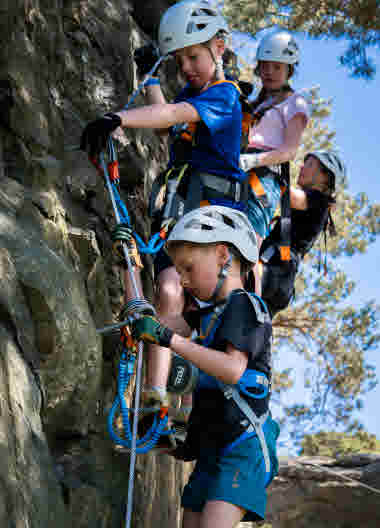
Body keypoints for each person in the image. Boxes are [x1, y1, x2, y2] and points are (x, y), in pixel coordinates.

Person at [80, 0, 248, 440]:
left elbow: (172, 116)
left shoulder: (225, 96)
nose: (188, 66)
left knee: (193, 301)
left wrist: (117, 118)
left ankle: (180, 401)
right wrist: (152, 80)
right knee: (169, 293)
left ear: (220, 47)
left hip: (210, 222)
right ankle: (156, 400)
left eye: (194, 56)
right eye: (181, 59)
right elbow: (169, 125)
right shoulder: (196, 95)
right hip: (181, 215)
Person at [130, 206, 280, 528]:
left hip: (243, 447)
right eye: (178, 270)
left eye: (188, 268)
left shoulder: (245, 305)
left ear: (222, 254)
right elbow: (151, 323)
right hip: (212, 448)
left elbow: (231, 369)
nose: (181, 280)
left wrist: (171, 341)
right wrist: (131, 268)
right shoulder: (208, 314)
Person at [239, 30, 310, 294]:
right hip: (240, 171)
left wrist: (252, 160)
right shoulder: (259, 102)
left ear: (290, 69)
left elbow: (289, 150)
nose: (269, 72)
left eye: (277, 67)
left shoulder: (295, 103)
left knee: (247, 246)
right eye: (265, 66)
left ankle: (249, 311)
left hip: (263, 179)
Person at [260, 150, 347, 316]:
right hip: (275, 269)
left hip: (277, 270)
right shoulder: (310, 203)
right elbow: (269, 199)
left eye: (309, 164)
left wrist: (263, 165)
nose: (302, 166)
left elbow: (287, 196)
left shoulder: (320, 201)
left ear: (325, 177)